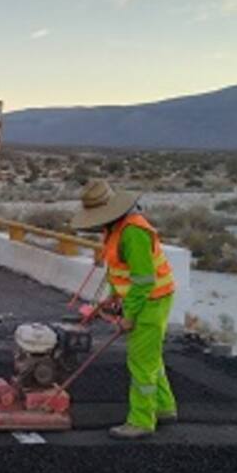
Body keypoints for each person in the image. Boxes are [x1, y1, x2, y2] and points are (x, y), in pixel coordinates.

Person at [71, 179, 177, 440]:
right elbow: (123, 272)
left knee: (140, 362)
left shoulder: (134, 232)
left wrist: (129, 316)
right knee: (150, 357)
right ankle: (164, 407)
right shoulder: (116, 228)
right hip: (146, 298)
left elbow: (143, 280)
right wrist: (112, 298)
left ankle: (141, 421)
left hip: (152, 301)